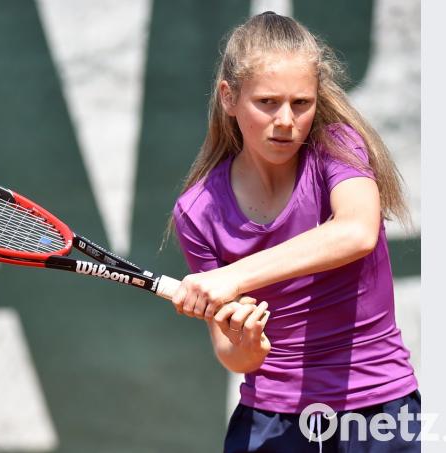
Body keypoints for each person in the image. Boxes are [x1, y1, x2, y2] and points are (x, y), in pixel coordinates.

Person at [169, 11, 420, 452]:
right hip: (271, 419)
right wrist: (245, 341)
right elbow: (233, 357)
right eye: (266, 102)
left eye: (300, 103)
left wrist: (233, 276)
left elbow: (356, 232)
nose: (285, 120)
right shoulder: (197, 211)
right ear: (229, 97)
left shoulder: (338, 147)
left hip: (378, 413)